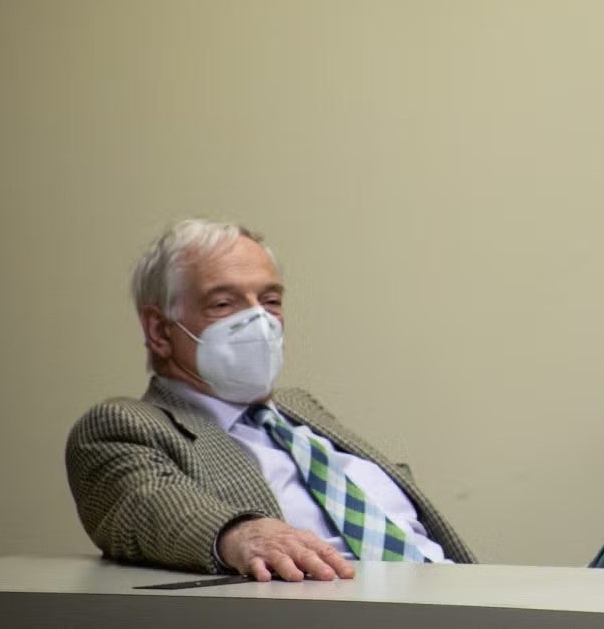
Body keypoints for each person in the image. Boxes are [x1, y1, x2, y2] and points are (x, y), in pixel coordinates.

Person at [65, 219, 474, 581]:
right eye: (223, 303)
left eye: (271, 301)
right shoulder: (124, 426)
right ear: (159, 330)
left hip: (461, 593)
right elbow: (149, 506)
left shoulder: (301, 409)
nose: (258, 320)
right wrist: (237, 534)